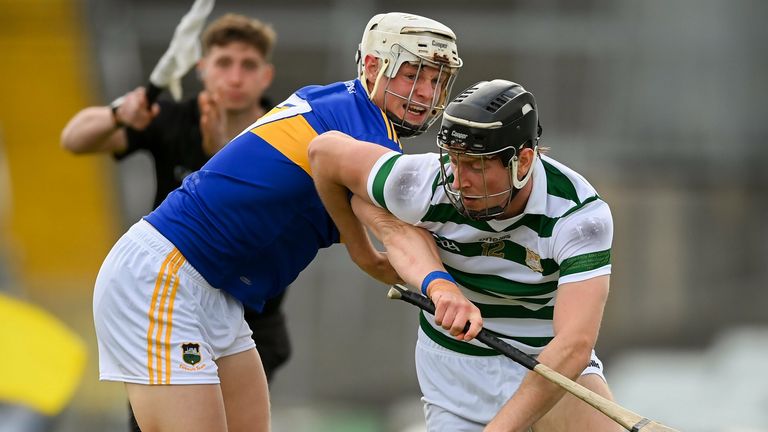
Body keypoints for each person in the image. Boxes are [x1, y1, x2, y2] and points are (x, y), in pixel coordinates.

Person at [90, 12, 473, 432]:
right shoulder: (364, 131)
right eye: (413, 75)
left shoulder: (347, 109)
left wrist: (371, 255)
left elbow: (365, 216)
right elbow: (394, 228)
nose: (425, 93)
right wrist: (440, 284)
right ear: (371, 66)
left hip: (214, 292)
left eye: (436, 80)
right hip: (164, 276)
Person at [308, 79, 619, 431]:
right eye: (454, 161)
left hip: (550, 364)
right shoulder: (422, 183)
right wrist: (363, 254)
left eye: (476, 166)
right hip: (457, 369)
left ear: (523, 161)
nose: (458, 181)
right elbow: (324, 152)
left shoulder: (578, 218)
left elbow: (574, 345)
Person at [60, 14, 288, 431]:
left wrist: (223, 152)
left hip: (250, 316)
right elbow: (73, 139)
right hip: (169, 305)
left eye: (248, 65)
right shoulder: (173, 118)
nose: (235, 76)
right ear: (201, 69)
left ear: (266, 75)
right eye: (223, 63)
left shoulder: (284, 131)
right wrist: (118, 113)